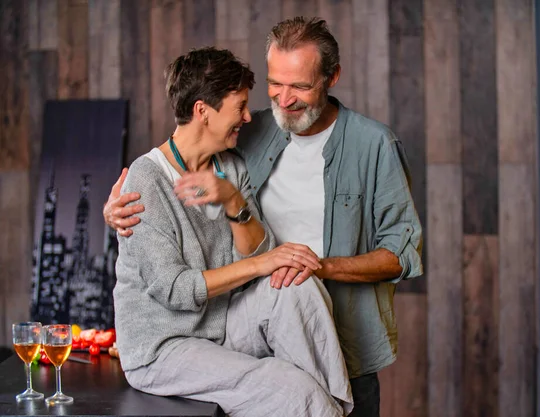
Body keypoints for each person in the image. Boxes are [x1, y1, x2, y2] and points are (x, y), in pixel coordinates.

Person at [105, 18, 423, 417]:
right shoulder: (248, 136)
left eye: (300, 86)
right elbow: (175, 264)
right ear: (205, 111)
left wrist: (312, 264)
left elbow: (401, 253)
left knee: (297, 285)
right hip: (205, 328)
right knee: (294, 380)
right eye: (276, 84)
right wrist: (116, 216)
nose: (281, 101)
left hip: (333, 336)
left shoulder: (373, 145)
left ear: (332, 77)